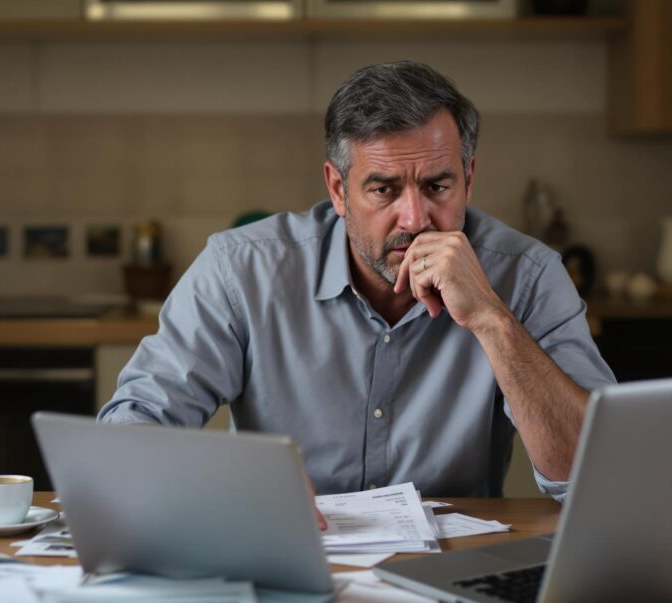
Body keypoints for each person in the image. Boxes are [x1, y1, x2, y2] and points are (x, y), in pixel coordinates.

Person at [99, 60, 615, 505]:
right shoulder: (241, 270)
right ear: (338, 190)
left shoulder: (528, 274)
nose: (415, 218)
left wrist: (492, 320)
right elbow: (132, 426)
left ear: (469, 180)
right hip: (290, 554)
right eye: (384, 190)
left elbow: (596, 475)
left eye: (438, 186)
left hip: (451, 569)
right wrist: (221, 478)